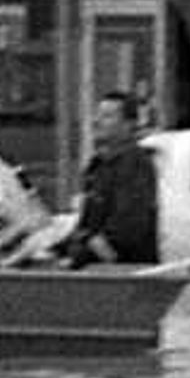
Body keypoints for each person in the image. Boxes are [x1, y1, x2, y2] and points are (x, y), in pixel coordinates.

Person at [54, 89, 161, 269]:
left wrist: (83, 255)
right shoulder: (98, 166)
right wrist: (58, 247)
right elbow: (87, 223)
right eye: (97, 115)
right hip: (95, 268)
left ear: (128, 124)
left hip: (125, 273)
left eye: (107, 116)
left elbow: (127, 227)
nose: (96, 122)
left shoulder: (135, 165)